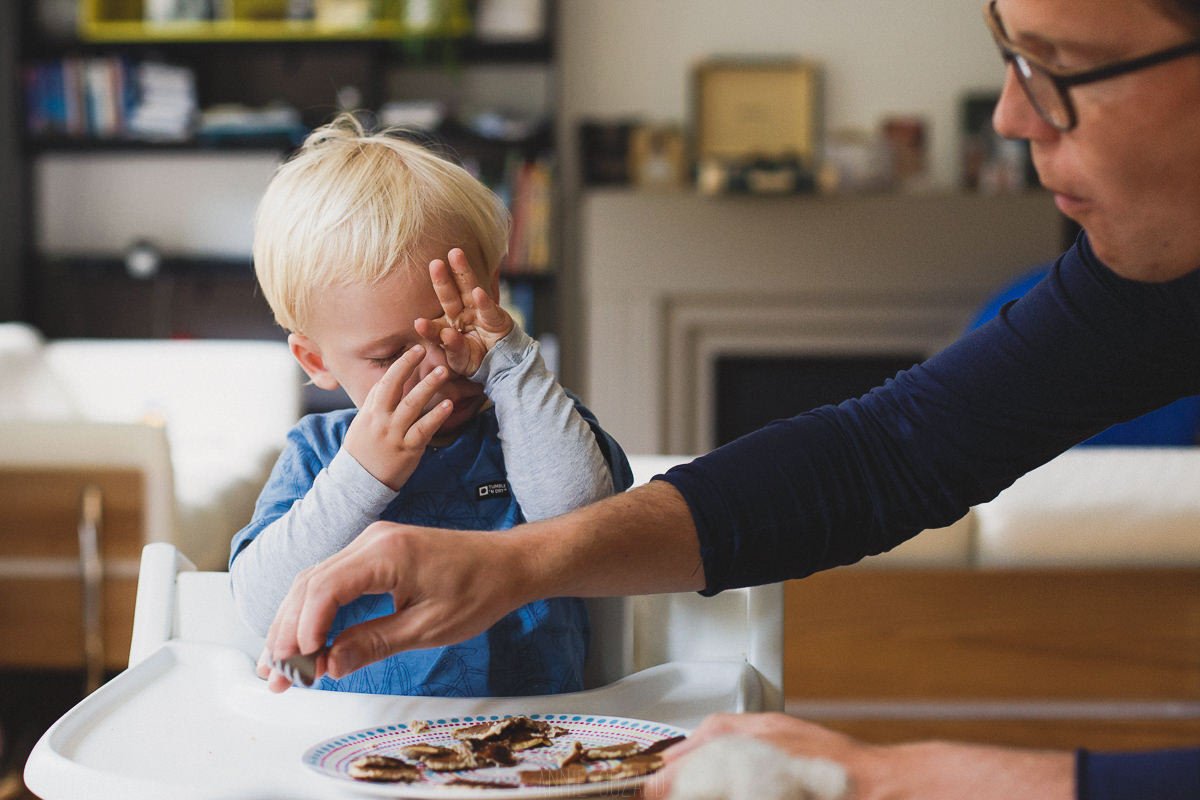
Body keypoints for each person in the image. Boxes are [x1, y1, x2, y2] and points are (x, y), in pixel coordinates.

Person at [261, 0, 1200, 796]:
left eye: (1062, 67)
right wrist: (523, 564)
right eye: (1010, 56)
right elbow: (889, 450)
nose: (1009, 116)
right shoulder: (1148, 294)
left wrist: (891, 775)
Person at [231, 113, 632, 696]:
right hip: (356, 753)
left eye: (455, 325)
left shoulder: (537, 417)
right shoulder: (319, 454)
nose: (440, 365)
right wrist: (361, 477)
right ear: (315, 361)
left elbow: (585, 526)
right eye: (390, 354)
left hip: (532, 745)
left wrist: (511, 362)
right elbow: (261, 607)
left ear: (491, 296)